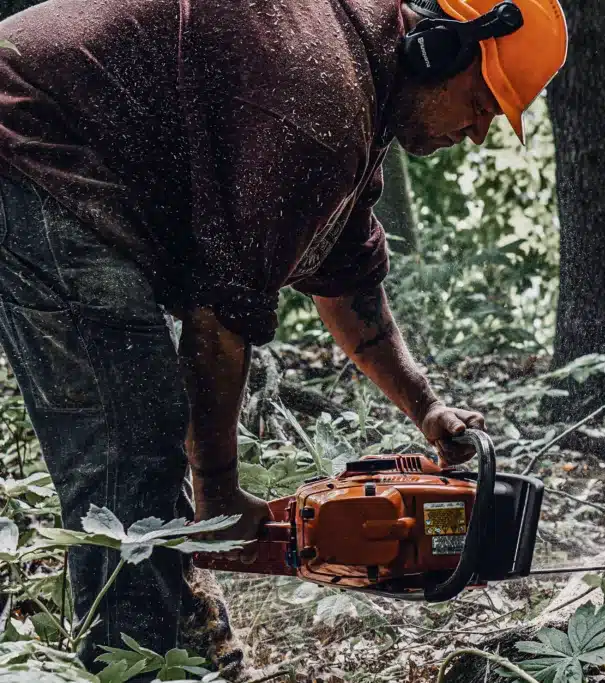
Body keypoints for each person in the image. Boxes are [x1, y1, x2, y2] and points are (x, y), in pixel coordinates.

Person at [0, 0, 567, 677]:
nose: (478, 131)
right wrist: (219, 494)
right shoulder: (320, 101)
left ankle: (187, 653)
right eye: (480, 102)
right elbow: (218, 324)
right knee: (131, 447)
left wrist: (426, 406)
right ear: (438, 48)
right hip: (28, 138)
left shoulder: (356, 94)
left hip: (60, 160)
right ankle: (136, 670)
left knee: (143, 448)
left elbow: (344, 276)